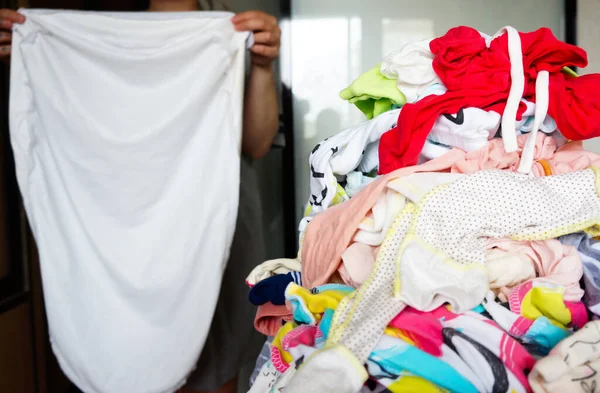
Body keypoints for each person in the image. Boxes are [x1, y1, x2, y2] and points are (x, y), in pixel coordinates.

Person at [0, 2, 280, 393]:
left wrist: (263, 66)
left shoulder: (232, 29)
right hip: (121, 234)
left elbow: (258, 142)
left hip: (213, 220)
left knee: (215, 362)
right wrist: (35, 57)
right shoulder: (93, 37)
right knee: (130, 353)